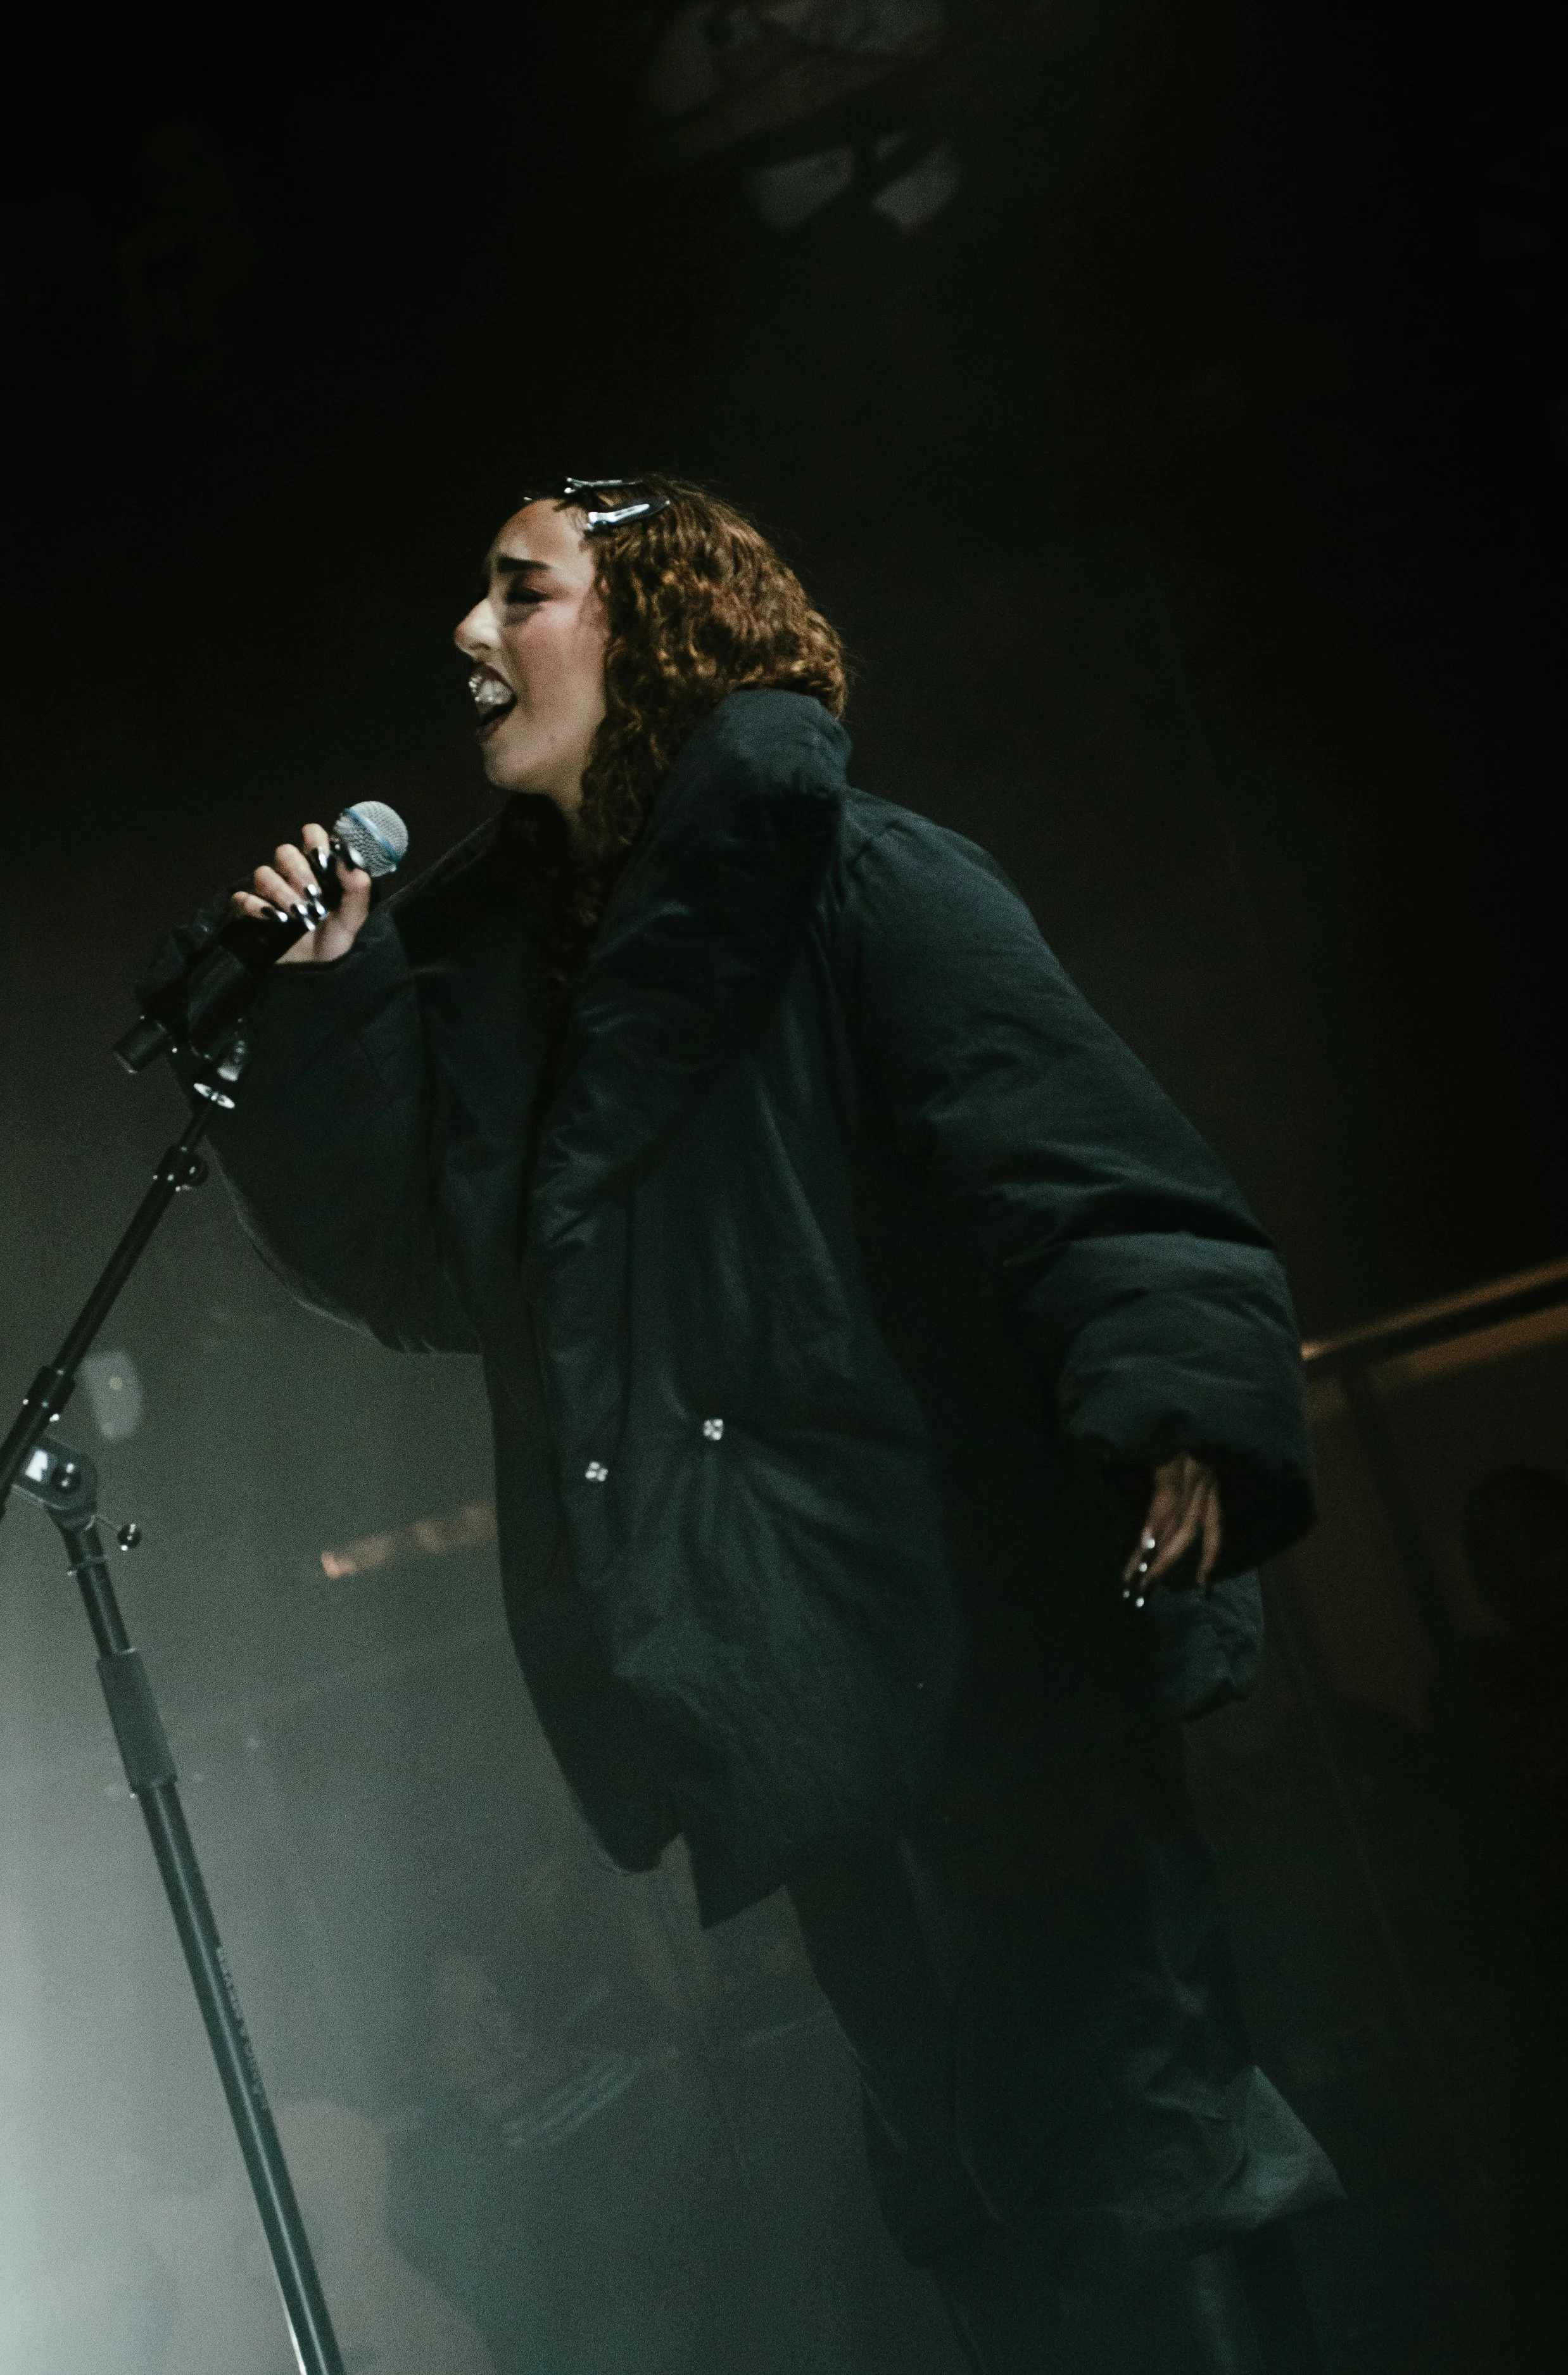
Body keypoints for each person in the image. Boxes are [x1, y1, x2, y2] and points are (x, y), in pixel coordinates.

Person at [170, 475, 1341, 2371]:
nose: (471, 637)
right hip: (790, 1673)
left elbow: (1092, 1176)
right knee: (964, 2167)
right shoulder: (527, 992)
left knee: (1136, 2133)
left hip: (978, 1615)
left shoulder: (862, 878)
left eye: (522, 592)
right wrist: (324, 1006)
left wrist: (1175, 1397)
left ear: (659, 631)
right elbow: (424, 1263)